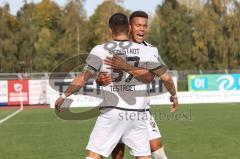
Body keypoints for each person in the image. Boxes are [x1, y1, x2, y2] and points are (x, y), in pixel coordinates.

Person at [55, 13, 155, 159]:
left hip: (112, 113)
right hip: (137, 114)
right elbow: (149, 77)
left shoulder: (100, 50)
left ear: (110, 30)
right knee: (144, 157)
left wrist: (64, 96)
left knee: (94, 155)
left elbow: (82, 78)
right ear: (128, 28)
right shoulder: (144, 50)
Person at [96, 11, 178, 159]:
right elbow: (102, 74)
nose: (142, 29)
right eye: (138, 25)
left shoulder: (150, 50)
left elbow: (157, 77)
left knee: (155, 147)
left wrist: (174, 95)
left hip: (141, 111)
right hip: (117, 109)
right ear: (129, 27)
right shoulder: (115, 47)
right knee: (118, 153)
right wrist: (99, 80)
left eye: (145, 26)